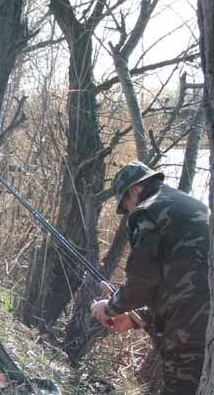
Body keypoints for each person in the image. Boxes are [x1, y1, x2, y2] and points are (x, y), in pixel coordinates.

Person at [90, 161, 210, 395]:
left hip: (191, 326)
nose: (128, 211)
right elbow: (178, 278)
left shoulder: (148, 210)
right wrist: (134, 319)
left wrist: (110, 307)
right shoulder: (189, 205)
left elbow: (142, 280)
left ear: (135, 189)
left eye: (125, 205)